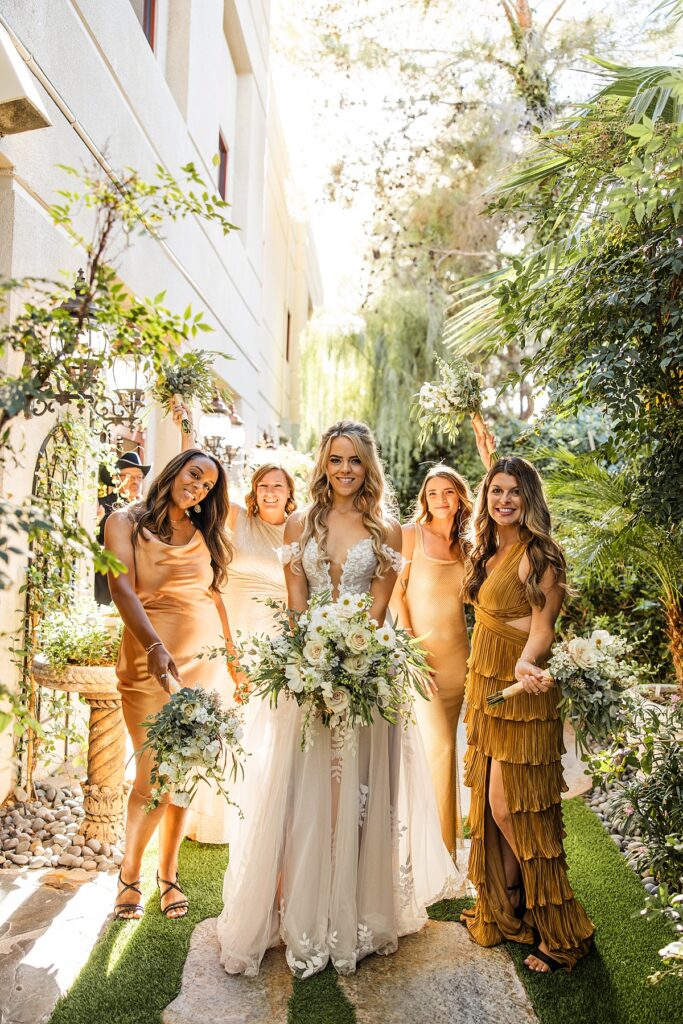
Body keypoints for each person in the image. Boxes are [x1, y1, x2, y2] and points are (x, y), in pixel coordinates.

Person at [216, 420, 461, 979]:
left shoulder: (388, 530)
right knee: (304, 795)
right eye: (335, 460)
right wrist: (309, 665)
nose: (345, 470)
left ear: (368, 466)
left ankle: (355, 914)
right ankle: (301, 911)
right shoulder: (300, 523)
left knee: (360, 798)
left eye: (354, 461)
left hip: (365, 677)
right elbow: (298, 602)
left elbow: (378, 610)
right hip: (305, 676)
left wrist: (349, 669)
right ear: (323, 465)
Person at [460, 456, 594, 972]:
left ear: (529, 497)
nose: (504, 500)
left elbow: (542, 628)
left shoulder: (541, 556)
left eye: (514, 491)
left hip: (522, 690)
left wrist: (526, 661)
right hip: (485, 684)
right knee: (493, 803)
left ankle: (559, 928)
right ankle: (510, 901)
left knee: (514, 809)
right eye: (496, 491)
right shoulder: (488, 550)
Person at [105, 448, 240, 919]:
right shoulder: (125, 522)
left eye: (207, 485)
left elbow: (214, 597)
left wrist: (234, 658)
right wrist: (153, 646)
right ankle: (129, 871)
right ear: (175, 470)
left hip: (204, 668)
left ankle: (168, 874)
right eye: (194, 475)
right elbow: (121, 588)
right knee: (151, 774)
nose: (199, 486)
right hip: (149, 664)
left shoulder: (204, 531)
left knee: (184, 775)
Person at [390, 465, 473, 859]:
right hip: (421, 658)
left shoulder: (468, 543)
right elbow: (393, 595)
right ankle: (429, 854)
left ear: (460, 497)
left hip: (461, 657)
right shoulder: (410, 536)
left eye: (448, 492)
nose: (441, 499)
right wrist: (412, 654)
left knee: (449, 753)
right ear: (425, 498)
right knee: (437, 748)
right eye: (434, 492)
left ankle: (448, 850)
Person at [223, 463, 297, 641]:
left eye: (278, 485)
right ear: (255, 491)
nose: (269, 492)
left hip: (278, 637)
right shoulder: (236, 517)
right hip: (233, 631)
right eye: (262, 486)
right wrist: (188, 437)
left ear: (289, 492)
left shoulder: (298, 531)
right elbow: (198, 493)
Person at [95, 452, 150, 605]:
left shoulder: (147, 509)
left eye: (139, 477)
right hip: (107, 582)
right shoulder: (101, 506)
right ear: (116, 478)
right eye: (130, 476)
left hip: (140, 583)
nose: (136, 482)